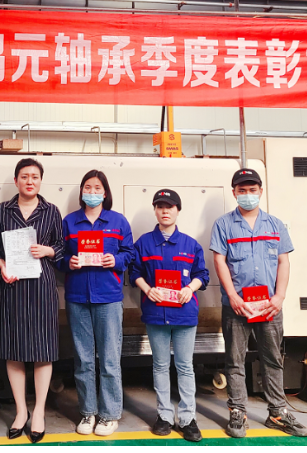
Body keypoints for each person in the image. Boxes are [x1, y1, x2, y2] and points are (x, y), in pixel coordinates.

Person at [209, 168, 307, 439]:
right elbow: (219, 261)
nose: (247, 195)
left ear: (261, 191)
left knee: (272, 359)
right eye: (242, 190)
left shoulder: (275, 225)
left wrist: (279, 297)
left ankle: (277, 412)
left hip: (269, 306)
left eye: (252, 190)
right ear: (234, 193)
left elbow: (283, 261)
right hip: (237, 306)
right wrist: (233, 296)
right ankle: (237, 411)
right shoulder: (223, 225)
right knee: (234, 360)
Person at [0, 158, 64, 444]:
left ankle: (39, 411)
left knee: (43, 350)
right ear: (16, 180)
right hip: (11, 287)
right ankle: (21, 411)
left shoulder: (51, 211)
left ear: (41, 180)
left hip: (42, 289)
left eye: (35, 176)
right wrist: (2, 265)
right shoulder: (2, 211)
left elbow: (62, 246)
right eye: (24, 176)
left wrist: (48, 251)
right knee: (14, 349)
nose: (30, 181)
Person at [130, 189, 209, 442]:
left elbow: (202, 275)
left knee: (185, 366)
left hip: (184, 315)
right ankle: (164, 416)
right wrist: (147, 289)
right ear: (155, 210)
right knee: (160, 365)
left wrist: (190, 289)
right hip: (156, 313)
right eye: (160, 206)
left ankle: (187, 419)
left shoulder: (190, 244)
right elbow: (134, 272)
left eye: (170, 206)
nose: (165, 211)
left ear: (178, 210)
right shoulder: (143, 243)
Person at [60, 170, 135, 437]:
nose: (92, 192)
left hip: (108, 298)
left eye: (97, 188)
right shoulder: (70, 222)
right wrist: (68, 262)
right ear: (82, 192)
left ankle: (109, 414)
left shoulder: (118, 221)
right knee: (83, 359)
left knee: (110, 359)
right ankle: (88, 412)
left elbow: (130, 253)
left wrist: (116, 260)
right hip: (77, 297)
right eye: (87, 187)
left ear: (105, 193)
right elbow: (59, 255)